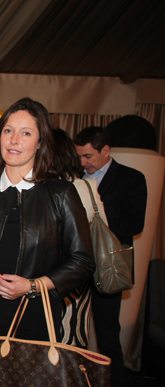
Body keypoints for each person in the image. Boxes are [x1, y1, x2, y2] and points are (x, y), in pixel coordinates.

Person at [0, 98, 95, 370]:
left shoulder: (60, 194)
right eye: (8, 131)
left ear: (40, 143)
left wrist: (32, 285)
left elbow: (83, 261)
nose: (14, 140)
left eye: (26, 133)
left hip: (35, 316)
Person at [74, 126, 148, 387]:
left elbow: (134, 224)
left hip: (108, 267)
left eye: (88, 157)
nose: (83, 163)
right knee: (71, 332)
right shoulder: (76, 178)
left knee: (107, 333)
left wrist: (95, 224)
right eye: (79, 157)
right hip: (75, 266)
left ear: (106, 151)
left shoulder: (132, 179)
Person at [52, 128, 108, 348]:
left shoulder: (40, 187)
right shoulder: (86, 185)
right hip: (78, 277)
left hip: (48, 276)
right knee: (72, 341)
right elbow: (103, 227)